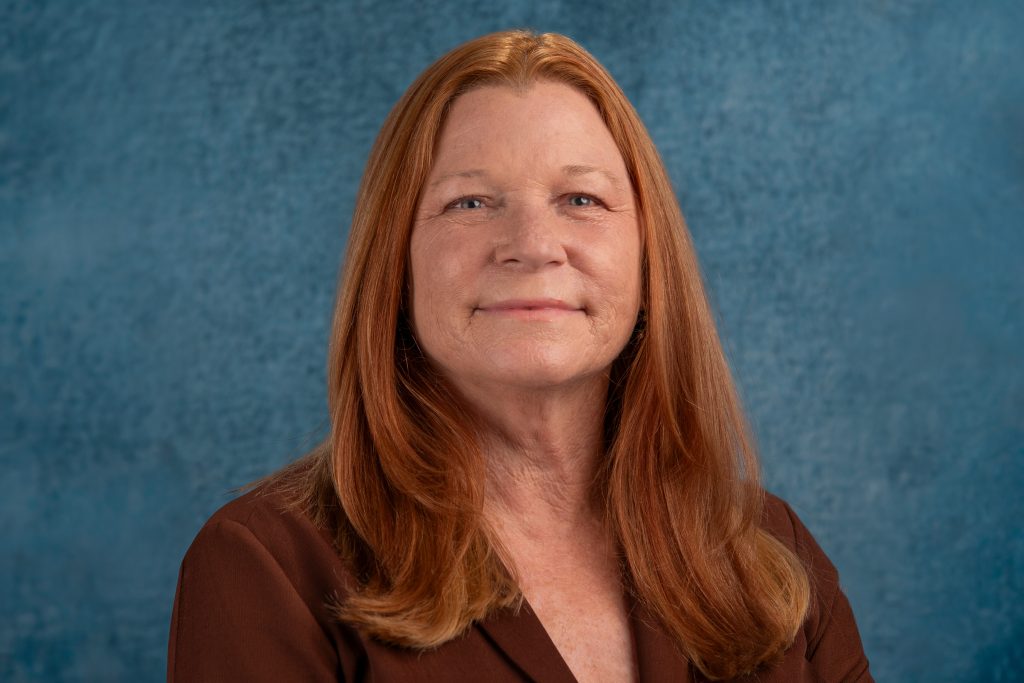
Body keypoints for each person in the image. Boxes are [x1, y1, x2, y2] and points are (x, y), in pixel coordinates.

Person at [168, 30, 872, 682]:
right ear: (396, 268)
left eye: (581, 198)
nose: (533, 243)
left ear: (648, 262)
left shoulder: (769, 554)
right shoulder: (266, 566)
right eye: (470, 202)